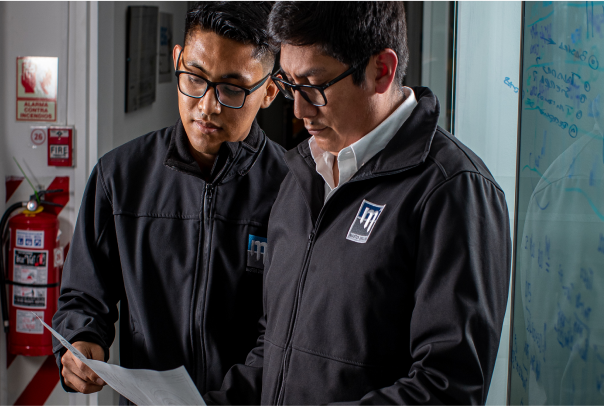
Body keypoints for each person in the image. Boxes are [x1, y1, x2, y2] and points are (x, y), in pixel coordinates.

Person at [204, 0, 511, 405]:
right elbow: (276, 345)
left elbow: (447, 388)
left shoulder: (454, 191)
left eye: (314, 86)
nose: (298, 110)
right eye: (291, 85)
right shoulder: (299, 174)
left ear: (381, 70)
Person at [52, 0, 287, 403]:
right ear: (177, 60)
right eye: (194, 78)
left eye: (232, 88)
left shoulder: (294, 189)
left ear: (268, 91)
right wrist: (81, 339)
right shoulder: (119, 176)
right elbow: (83, 295)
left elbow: (285, 332)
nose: (207, 105)